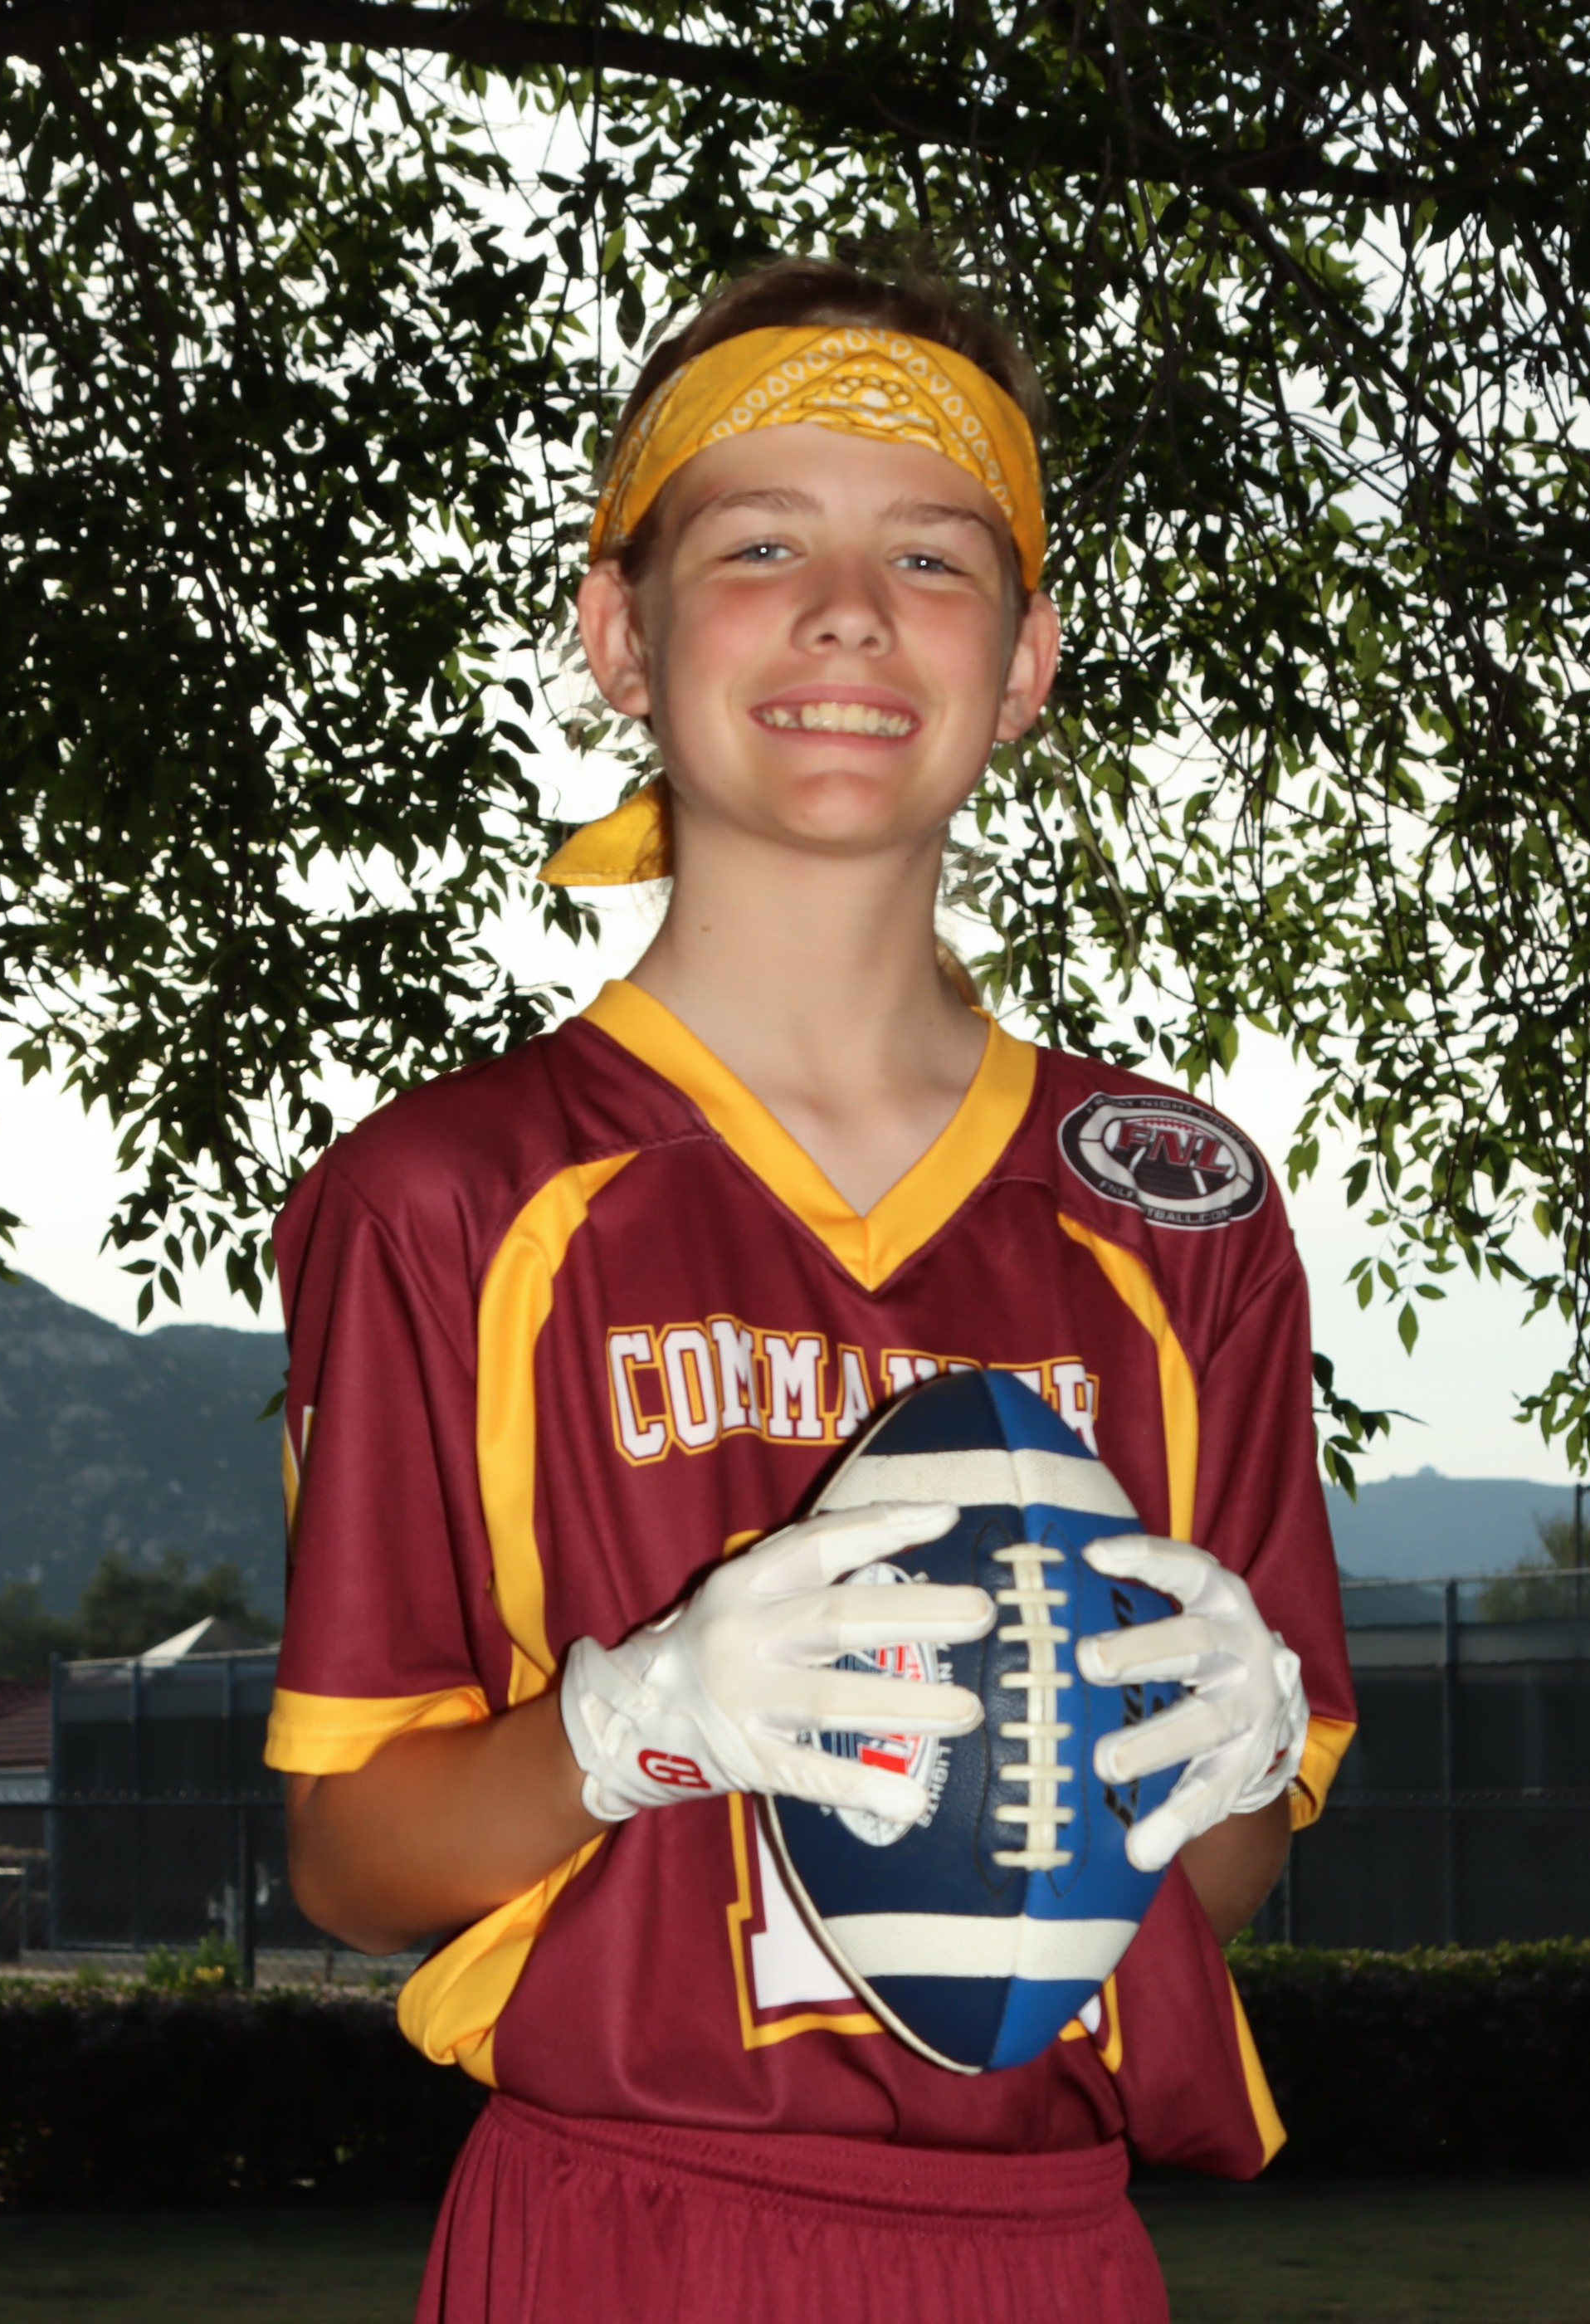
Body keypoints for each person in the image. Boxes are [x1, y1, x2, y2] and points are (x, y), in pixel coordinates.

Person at [266, 259, 1357, 2324]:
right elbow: (350, 1861)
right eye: (760, 544)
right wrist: (637, 1722)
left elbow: (1207, 1888)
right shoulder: (448, 1194)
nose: (849, 610)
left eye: (930, 556)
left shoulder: (1177, 1207)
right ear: (619, 631)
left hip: (1052, 2246)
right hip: (622, 2229)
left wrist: (1212, 1766)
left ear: (1023, 661)